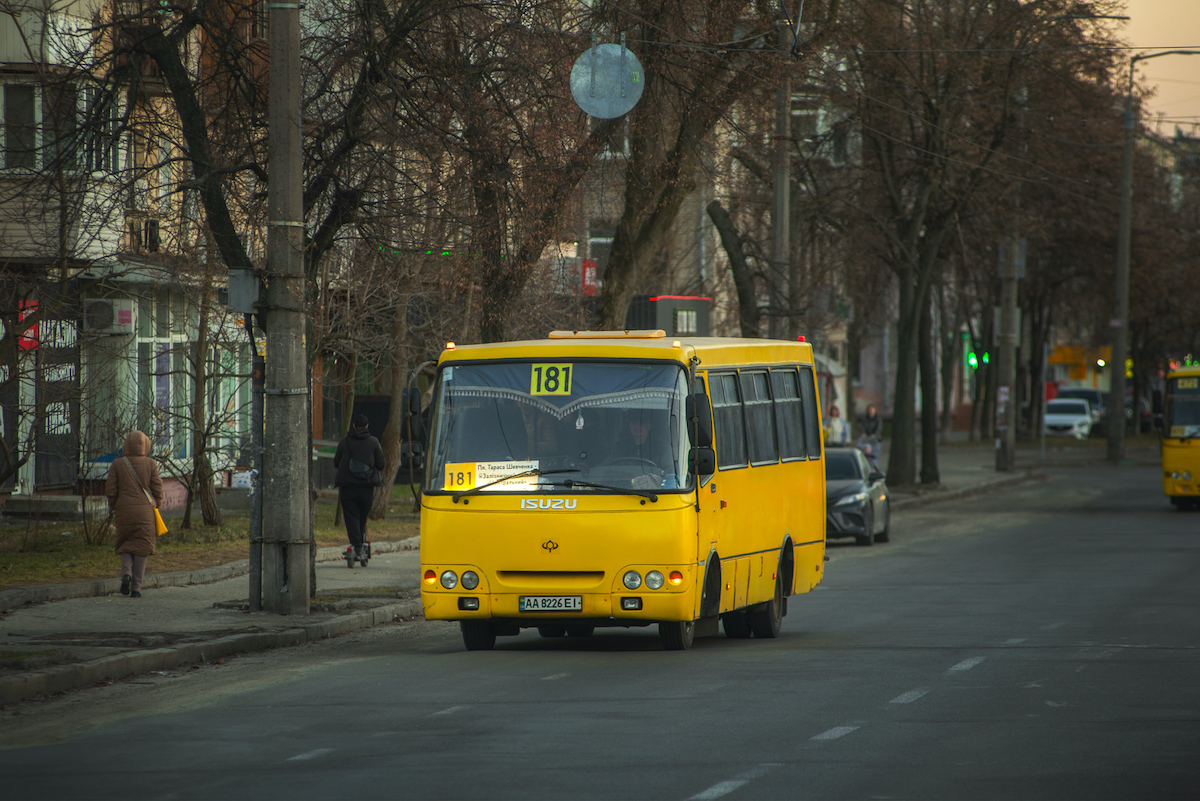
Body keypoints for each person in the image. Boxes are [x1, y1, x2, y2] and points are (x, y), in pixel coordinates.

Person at [106, 430, 163, 598]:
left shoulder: (118, 464)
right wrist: (157, 504)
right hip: (145, 511)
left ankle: (126, 573)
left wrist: (114, 506)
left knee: (125, 544)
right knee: (142, 548)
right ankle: (136, 589)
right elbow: (158, 487)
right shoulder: (151, 463)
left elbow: (110, 489)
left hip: (123, 510)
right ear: (146, 445)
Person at [334, 414, 385, 561]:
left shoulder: (344, 442)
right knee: (362, 517)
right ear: (367, 426)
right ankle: (360, 545)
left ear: (354, 426)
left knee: (351, 517)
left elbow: (336, 462)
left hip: (347, 487)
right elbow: (381, 465)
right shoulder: (374, 442)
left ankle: (356, 546)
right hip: (366, 487)